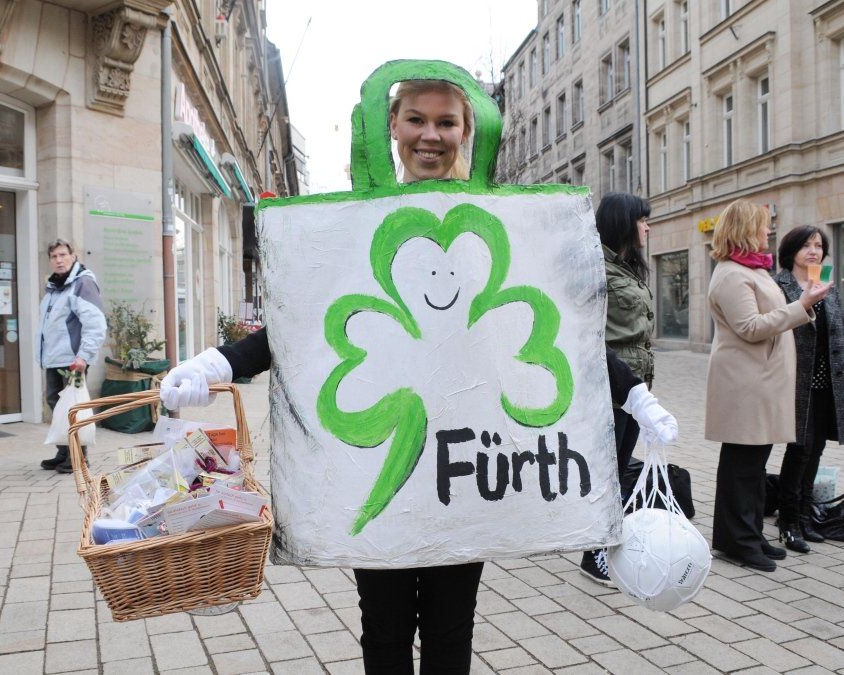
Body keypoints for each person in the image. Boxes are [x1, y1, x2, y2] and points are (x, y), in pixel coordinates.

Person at [160, 79, 676, 674]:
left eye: (447, 121)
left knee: (452, 627)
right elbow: (307, 324)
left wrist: (632, 393)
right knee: (383, 627)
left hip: (464, 474)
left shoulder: (501, 219)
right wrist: (222, 362)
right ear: (394, 129)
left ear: (467, 131)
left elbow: (555, 323)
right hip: (379, 468)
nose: (431, 135)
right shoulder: (356, 223)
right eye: (415, 119)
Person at [705, 200, 830, 572]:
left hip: (759, 381)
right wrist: (802, 305)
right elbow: (750, 327)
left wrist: (804, 301)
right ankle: (735, 542)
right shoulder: (730, 274)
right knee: (741, 467)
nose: (767, 232)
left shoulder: (752, 270)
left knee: (753, 466)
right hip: (745, 383)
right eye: (762, 226)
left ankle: (749, 534)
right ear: (745, 229)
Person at [580, 192, 655, 586]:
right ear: (624, 222)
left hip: (636, 386)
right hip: (610, 387)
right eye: (642, 219)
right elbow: (590, 333)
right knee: (607, 474)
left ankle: (605, 547)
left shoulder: (627, 268)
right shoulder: (597, 268)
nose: (648, 226)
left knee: (619, 469)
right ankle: (594, 555)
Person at [774, 226, 844, 552]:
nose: (814, 251)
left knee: (815, 450)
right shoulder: (781, 284)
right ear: (792, 251)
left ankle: (804, 516)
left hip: (826, 384)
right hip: (795, 383)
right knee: (799, 450)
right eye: (806, 245)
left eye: (818, 245)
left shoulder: (827, 284)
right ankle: (788, 521)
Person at [36, 239, 106, 474]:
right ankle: (64, 451)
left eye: (63, 255)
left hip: (73, 362)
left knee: (74, 407)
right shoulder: (55, 287)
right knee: (56, 404)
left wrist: (83, 357)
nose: (59, 260)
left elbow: (95, 324)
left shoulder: (82, 283)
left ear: (73, 256)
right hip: (55, 360)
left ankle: (79, 456)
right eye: (54, 256)